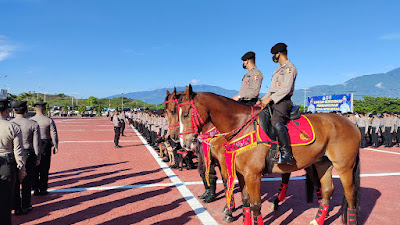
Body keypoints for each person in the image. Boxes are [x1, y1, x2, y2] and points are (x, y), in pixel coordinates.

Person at [258, 43, 297, 165]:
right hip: (273, 100)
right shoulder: (278, 70)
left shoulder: (290, 68)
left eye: (273, 55)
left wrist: (269, 100)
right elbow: (271, 90)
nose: (273, 57)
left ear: (278, 54)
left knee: (276, 121)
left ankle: (287, 154)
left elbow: (285, 89)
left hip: (283, 101)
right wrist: (261, 101)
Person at [11, 101, 41, 215]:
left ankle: (16, 206)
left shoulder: (11, 123)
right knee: (27, 182)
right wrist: (38, 158)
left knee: (15, 182)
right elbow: (36, 144)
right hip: (28, 154)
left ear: (14, 110)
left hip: (14, 154)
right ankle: (26, 205)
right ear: (26, 110)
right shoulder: (33, 124)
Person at [0, 99, 26, 224]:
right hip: (7, 163)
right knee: (5, 200)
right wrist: (21, 168)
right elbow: (18, 151)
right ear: (6, 111)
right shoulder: (12, 126)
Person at [30, 101, 59, 196]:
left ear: (35, 109)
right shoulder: (48, 120)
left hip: (33, 145)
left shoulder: (31, 120)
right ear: (45, 110)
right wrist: (55, 145)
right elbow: (53, 133)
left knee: (34, 167)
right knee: (44, 168)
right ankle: (43, 188)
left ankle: (35, 188)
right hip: (45, 145)